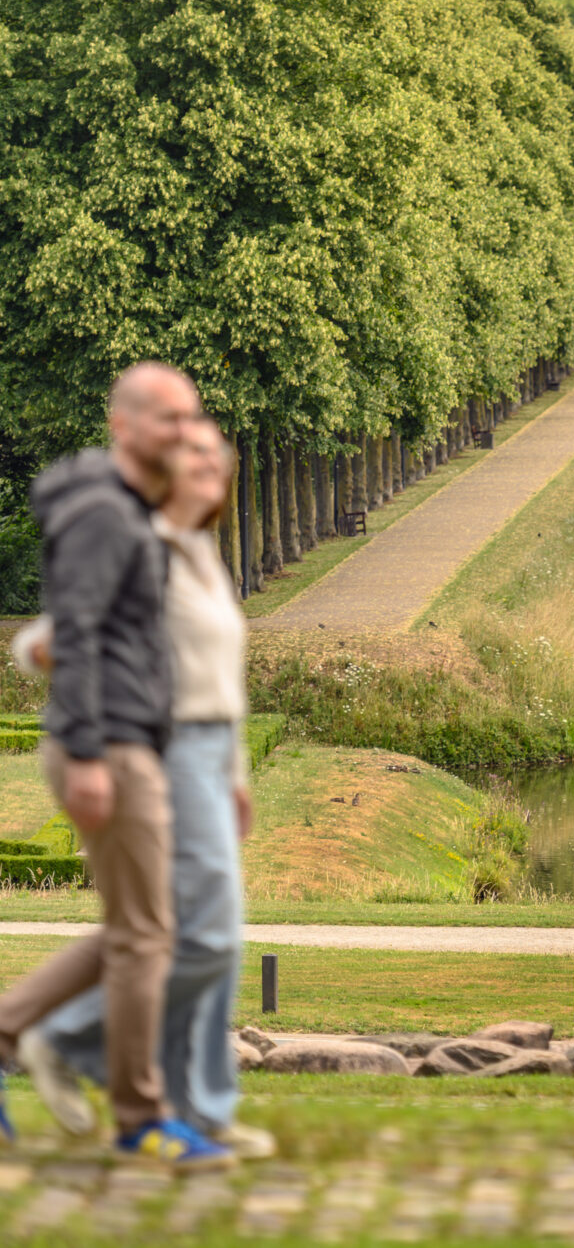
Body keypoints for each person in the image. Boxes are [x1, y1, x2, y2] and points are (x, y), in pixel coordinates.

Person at [0, 364, 230, 1171]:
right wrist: (94, 754)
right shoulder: (103, 513)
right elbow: (82, 637)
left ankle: (5, 1034)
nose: (184, 432)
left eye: (191, 418)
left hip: (134, 742)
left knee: (143, 927)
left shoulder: (127, 510)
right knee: (147, 936)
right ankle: (142, 1117)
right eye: (169, 419)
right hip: (110, 747)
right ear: (124, 424)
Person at [29, 420, 273, 1159]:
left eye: (217, 455)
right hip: (163, 749)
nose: (209, 462)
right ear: (164, 470)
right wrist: (62, 683)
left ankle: (199, 1105)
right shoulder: (140, 542)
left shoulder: (200, 551)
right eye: (192, 452)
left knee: (205, 941)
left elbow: (221, 681)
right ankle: (70, 1040)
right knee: (199, 937)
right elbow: (48, 639)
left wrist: (236, 776)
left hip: (208, 752)